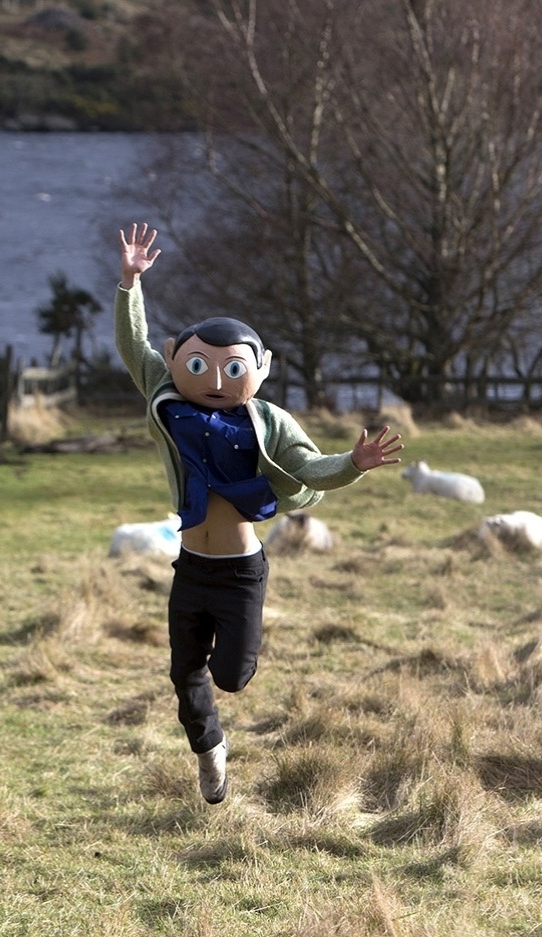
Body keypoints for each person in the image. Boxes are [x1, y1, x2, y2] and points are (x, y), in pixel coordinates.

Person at [114, 222, 403, 803]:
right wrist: (130, 282)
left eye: (232, 368)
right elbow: (132, 343)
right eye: (200, 367)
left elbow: (309, 467)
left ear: (260, 368)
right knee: (184, 672)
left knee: (232, 678)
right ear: (175, 361)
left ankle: (219, 723)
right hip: (190, 566)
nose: (216, 380)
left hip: (243, 571)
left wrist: (353, 462)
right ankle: (210, 752)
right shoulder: (165, 400)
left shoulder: (267, 422)